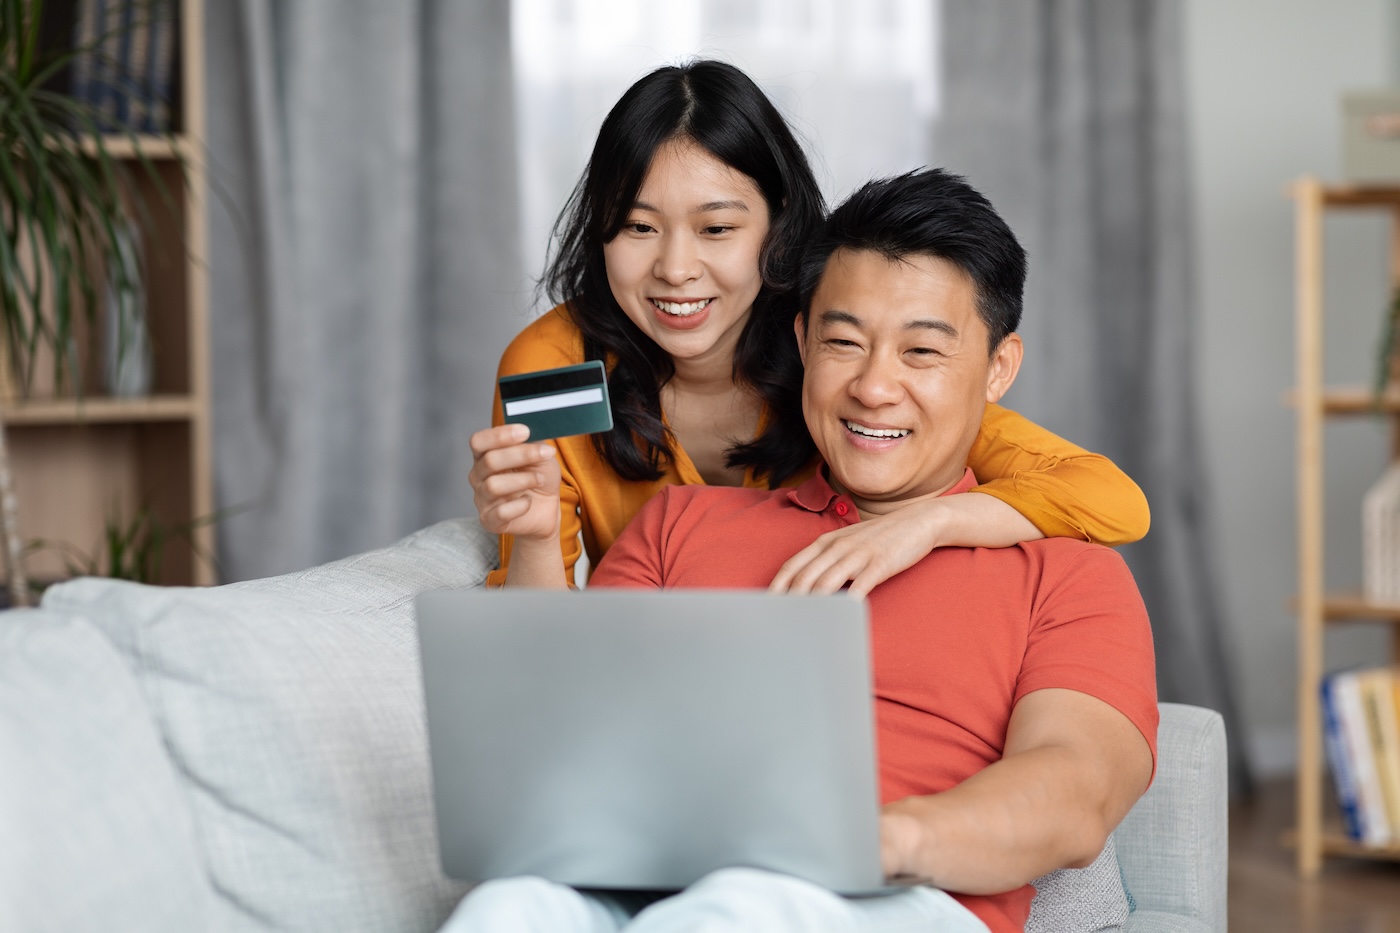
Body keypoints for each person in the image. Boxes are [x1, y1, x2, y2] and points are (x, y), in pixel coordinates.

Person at [447, 169, 1158, 932]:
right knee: (507, 904)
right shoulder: (680, 525)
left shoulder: (1070, 573)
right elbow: (565, 732)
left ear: (998, 369)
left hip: (891, 897)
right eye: (844, 343)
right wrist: (532, 542)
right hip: (653, 878)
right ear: (802, 342)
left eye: (921, 352)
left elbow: (1075, 794)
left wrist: (871, 839)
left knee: (743, 908)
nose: (874, 387)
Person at [469, 60, 1149, 592]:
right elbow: (536, 634)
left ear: (779, 221)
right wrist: (530, 538)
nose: (675, 269)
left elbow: (1112, 500)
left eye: (717, 228)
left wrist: (929, 523)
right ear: (601, 230)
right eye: (639, 227)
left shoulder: (838, 354)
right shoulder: (553, 366)